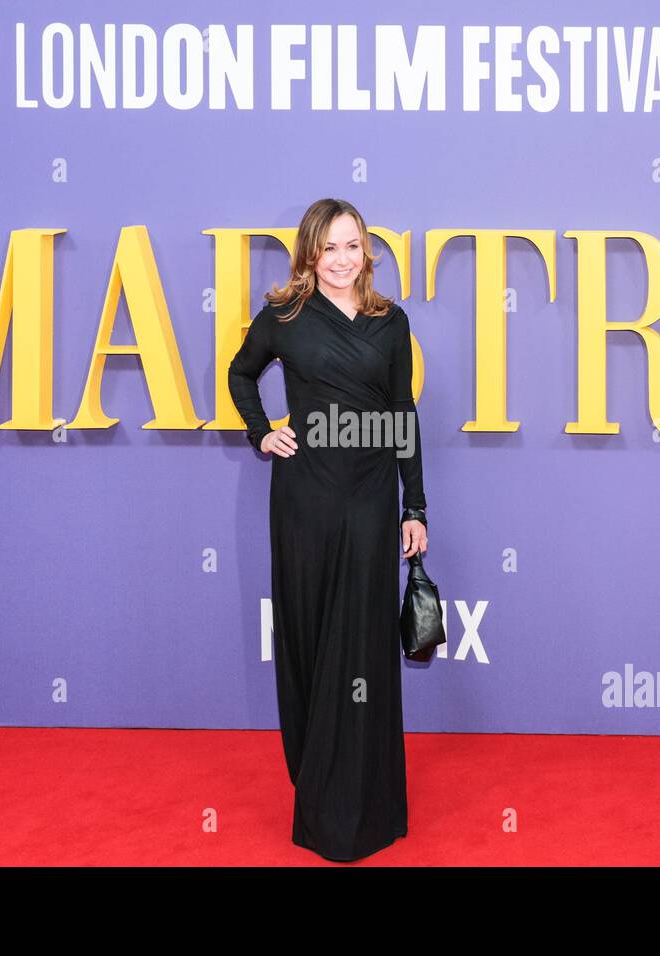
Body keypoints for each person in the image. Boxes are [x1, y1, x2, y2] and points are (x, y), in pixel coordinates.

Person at [228, 198, 429, 862]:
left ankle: (368, 809)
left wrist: (414, 507)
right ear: (310, 254)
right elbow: (240, 373)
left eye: (353, 247)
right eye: (330, 248)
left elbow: (403, 415)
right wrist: (264, 433)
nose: (343, 260)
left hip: (371, 499)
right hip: (305, 499)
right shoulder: (285, 317)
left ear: (365, 253)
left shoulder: (390, 322)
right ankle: (317, 796)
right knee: (312, 640)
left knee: (365, 650)